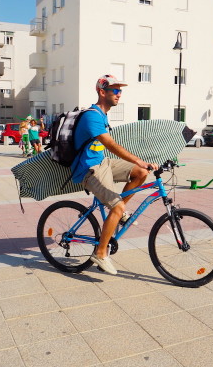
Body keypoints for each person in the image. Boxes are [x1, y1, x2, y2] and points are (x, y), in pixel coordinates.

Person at [71, 74, 158, 275]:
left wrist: (140, 164)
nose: (120, 94)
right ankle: (100, 254)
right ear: (102, 92)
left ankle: (118, 214)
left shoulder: (103, 115)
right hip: (89, 169)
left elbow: (109, 147)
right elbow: (110, 144)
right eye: (115, 90)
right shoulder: (92, 115)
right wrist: (138, 158)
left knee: (141, 172)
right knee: (117, 206)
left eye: (120, 90)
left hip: (102, 162)